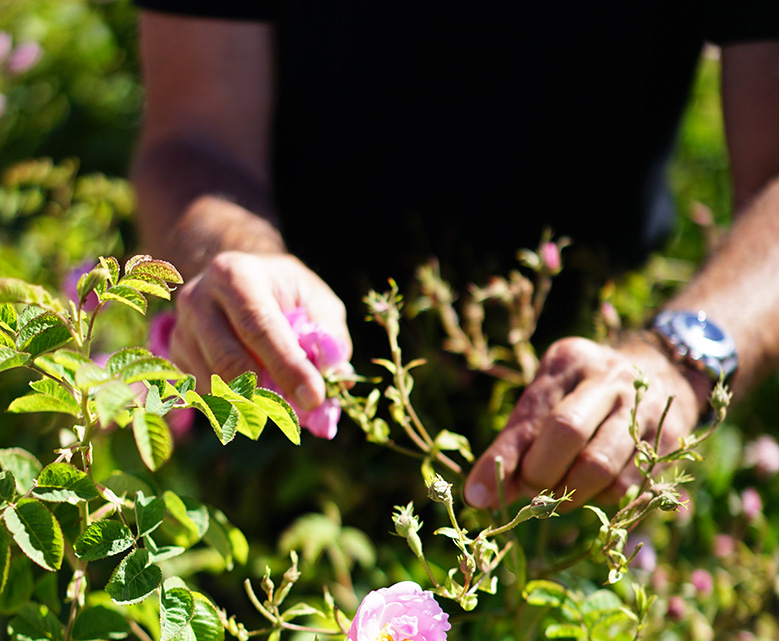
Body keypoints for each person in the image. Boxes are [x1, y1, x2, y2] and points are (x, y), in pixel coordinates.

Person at [131, 3, 779, 509]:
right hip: (276, 400)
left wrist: (678, 360)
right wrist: (237, 254)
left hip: (599, 387)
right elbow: (192, 135)